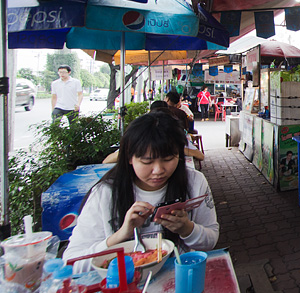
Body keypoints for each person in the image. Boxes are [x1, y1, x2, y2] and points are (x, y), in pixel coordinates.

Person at [65, 111, 218, 273]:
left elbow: (211, 240)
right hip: (121, 287)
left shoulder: (194, 182)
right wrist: (120, 236)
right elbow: (72, 263)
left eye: (168, 159)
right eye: (147, 161)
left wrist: (187, 228)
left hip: (177, 281)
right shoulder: (105, 193)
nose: (158, 170)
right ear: (129, 157)